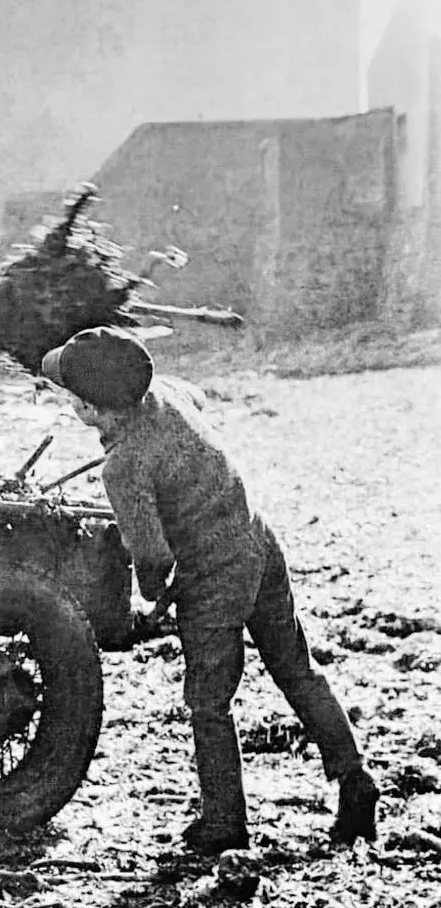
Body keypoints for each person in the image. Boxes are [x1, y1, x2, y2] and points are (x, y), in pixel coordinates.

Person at [40, 326, 379, 855]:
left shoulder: (123, 467)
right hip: (256, 536)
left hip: (214, 573)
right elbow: (195, 399)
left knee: (208, 701)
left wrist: (150, 602)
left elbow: (152, 555)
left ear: (89, 409)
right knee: (296, 669)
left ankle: (224, 823)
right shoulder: (166, 393)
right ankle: (355, 778)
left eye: (70, 395)